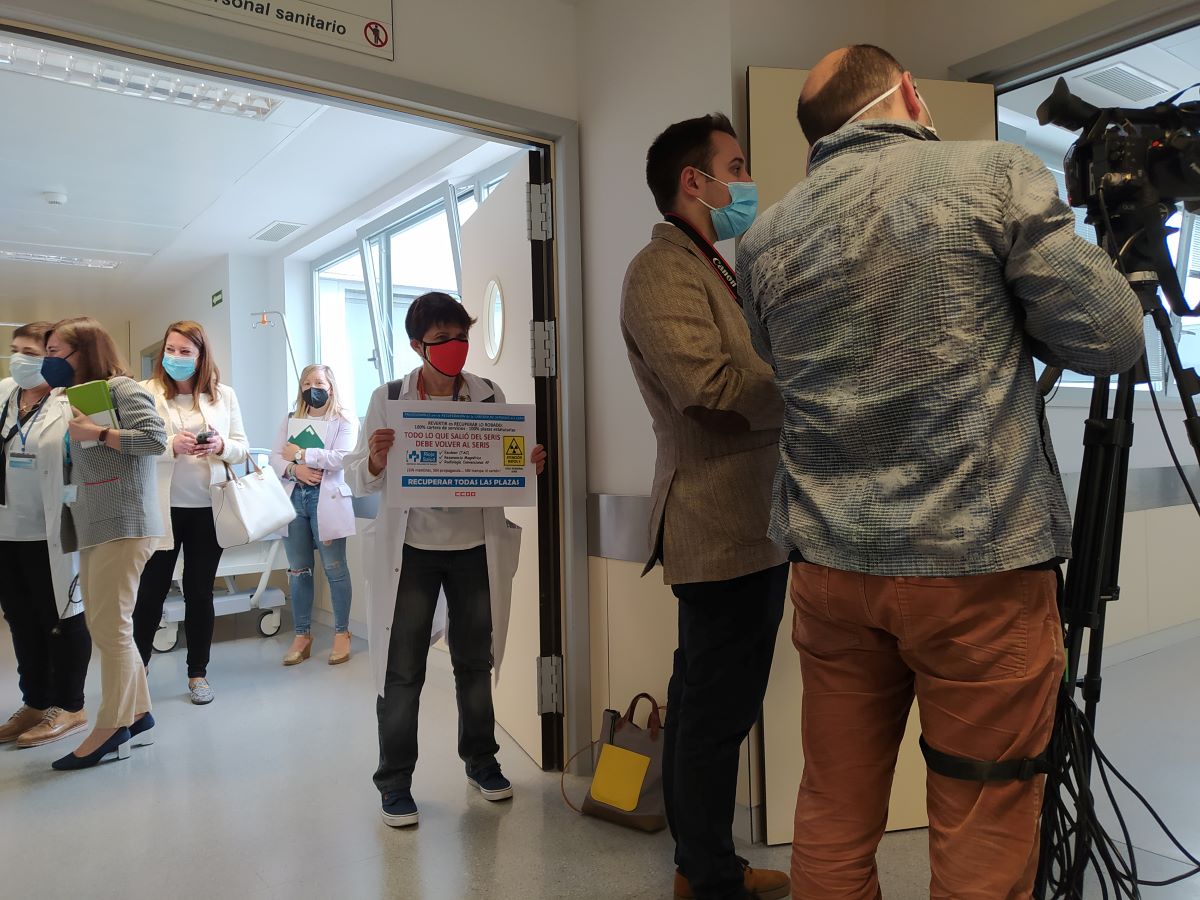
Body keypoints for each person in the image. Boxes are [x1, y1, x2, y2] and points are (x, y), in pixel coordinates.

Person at [737, 44, 1145, 900]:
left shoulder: (766, 236)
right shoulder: (992, 175)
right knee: (982, 822)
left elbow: (780, 361)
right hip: (975, 569)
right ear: (910, 94)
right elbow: (1112, 337)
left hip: (831, 569)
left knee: (834, 806)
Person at [620, 113, 789, 900]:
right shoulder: (661, 270)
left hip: (749, 521)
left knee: (703, 703)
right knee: (717, 713)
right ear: (696, 180)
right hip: (718, 523)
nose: (746, 182)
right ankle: (711, 876)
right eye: (737, 165)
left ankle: (700, 866)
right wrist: (808, 387)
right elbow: (709, 391)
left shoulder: (711, 266)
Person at [345, 291, 546, 829]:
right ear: (418, 346)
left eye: (461, 337)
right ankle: (394, 782)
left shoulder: (488, 394)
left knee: (474, 662)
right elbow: (359, 477)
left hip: (474, 547)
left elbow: (504, 462)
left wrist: (525, 463)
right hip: (411, 551)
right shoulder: (389, 397)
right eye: (442, 339)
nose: (455, 346)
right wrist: (376, 459)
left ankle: (482, 762)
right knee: (403, 667)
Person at [46, 316, 167, 770]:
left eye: (55, 352)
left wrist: (97, 433)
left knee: (111, 627)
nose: (48, 361)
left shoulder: (121, 388)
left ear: (84, 351)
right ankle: (138, 713)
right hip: (96, 523)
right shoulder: (75, 397)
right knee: (108, 626)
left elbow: (155, 439)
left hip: (125, 521)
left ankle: (112, 726)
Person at [132, 321, 248, 705]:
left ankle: (198, 673)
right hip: (162, 508)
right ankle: (137, 670)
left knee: (200, 593)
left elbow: (242, 448)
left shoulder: (224, 396)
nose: (176, 357)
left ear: (200, 357)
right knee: (150, 593)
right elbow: (135, 444)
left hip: (208, 509)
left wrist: (220, 445)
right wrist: (170, 445)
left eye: (185, 351)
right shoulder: (146, 392)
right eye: (171, 349)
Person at [0, 322, 92, 748]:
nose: (20, 359)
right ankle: (35, 702)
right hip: (7, 528)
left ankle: (70, 706)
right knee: (20, 619)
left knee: (61, 618)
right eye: (15, 349)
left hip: (53, 528)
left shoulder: (74, 398)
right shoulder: (5, 392)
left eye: (32, 353)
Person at [270, 364, 358, 666]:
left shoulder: (344, 419)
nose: (312, 388)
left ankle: (342, 633)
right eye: (306, 383)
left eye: (318, 382)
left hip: (327, 498)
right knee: (298, 570)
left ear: (330, 387)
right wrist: (296, 470)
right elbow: (274, 457)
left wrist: (299, 454)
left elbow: (342, 458)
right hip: (295, 498)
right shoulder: (291, 419)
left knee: (335, 568)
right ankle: (302, 635)